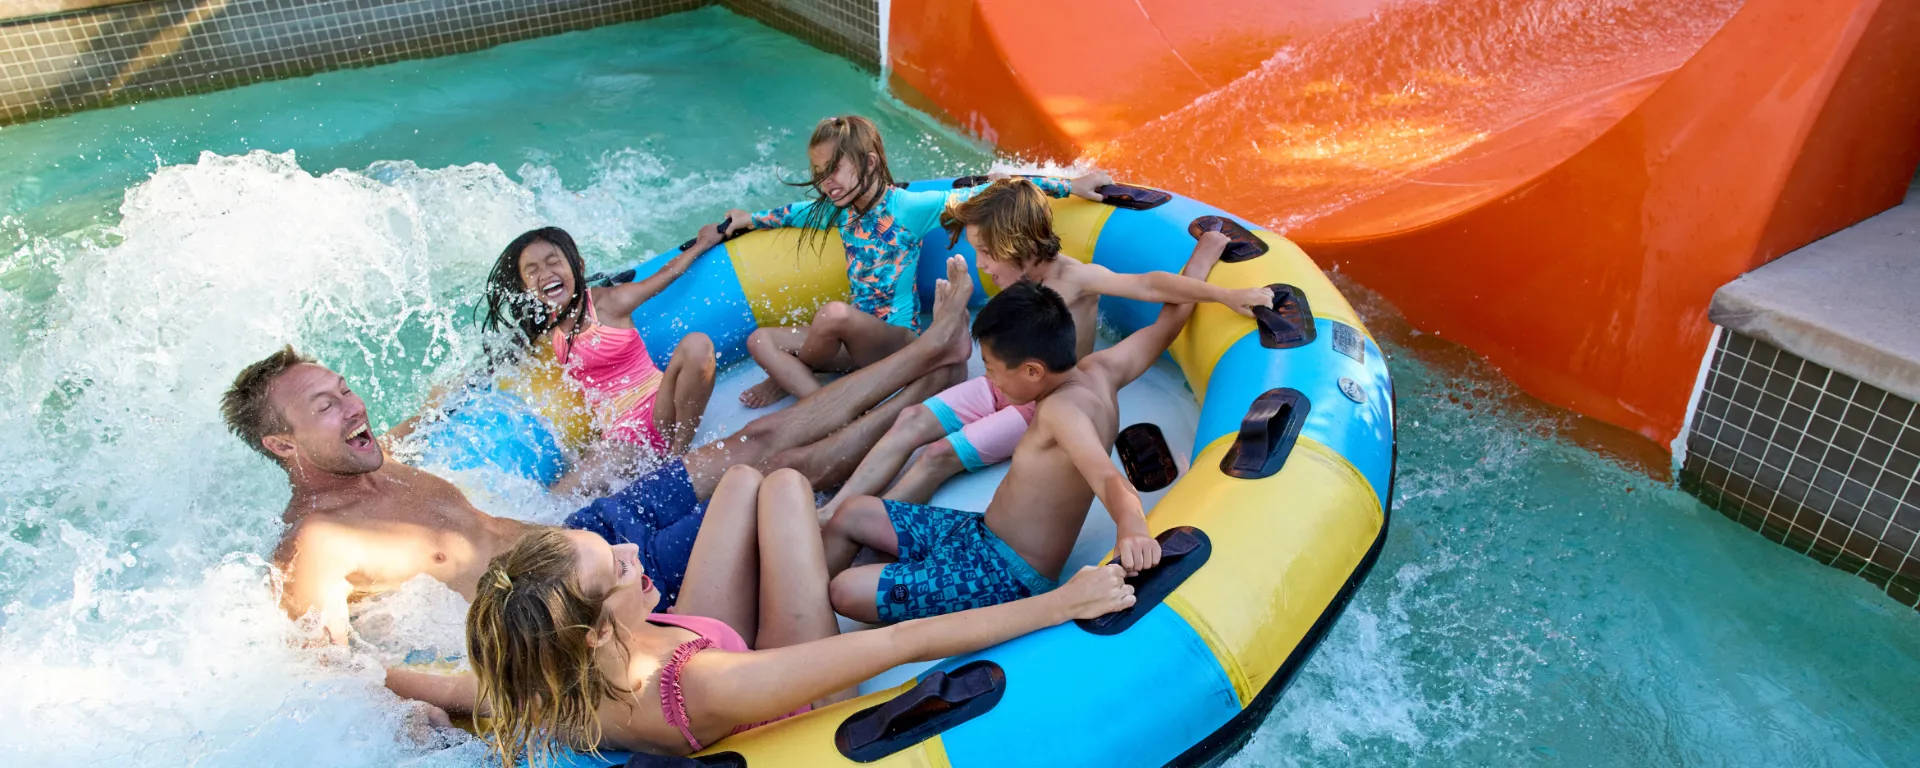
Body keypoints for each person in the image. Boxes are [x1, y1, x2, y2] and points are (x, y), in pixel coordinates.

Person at [222, 255, 975, 653]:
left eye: (346, 389)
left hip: (584, 529)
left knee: (752, 443)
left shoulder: (377, 459)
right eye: (327, 406)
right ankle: (920, 414)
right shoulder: (315, 543)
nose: (354, 406)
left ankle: (930, 355)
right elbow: (329, 675)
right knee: (774, 482)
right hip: (581, 601)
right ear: (282, 445)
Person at [445, 467, 1134, 764]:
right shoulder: (710, 684)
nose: (631, 550)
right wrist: (1060, 602)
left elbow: (458, 688)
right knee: (787, 490)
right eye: (619, 567)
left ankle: (829, 535)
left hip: (671, 654)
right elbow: (903, 643)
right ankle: (837, 532)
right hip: (784, 700)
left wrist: (389, 681)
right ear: (597, 627)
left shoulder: (552, 674)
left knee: (751, 482)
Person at [821, 230, 1233, 624]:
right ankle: (805, 603)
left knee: (846, 591)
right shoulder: (1101, 369)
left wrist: (1133, 529)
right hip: (977, 533)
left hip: (1006, 575)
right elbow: (1167, 323)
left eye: (996, 372)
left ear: (1034, 370)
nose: (992, 382)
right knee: (852, 512)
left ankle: (805, 634)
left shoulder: (1060, 412)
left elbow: (1108, 478)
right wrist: (1203, 255)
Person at [819, 179, 1271, 518]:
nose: (982, 266)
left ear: (1016, 244)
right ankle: (834, 512)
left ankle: (873, 526)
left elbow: (1150, 286)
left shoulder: (1071, 278)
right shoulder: (1014, 275)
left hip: (1043, 403)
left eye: (987, 254)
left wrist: (1226, 293)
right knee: (911, 419)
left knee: (937, 456)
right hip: (1005, 384)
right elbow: (1007, 185)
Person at [721, 114, 1110, 408]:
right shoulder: (838, 212)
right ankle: (812, 394)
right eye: (820, 174)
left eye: (834, 170)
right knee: (761, 339)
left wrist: (1069, 186)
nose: (827, 183)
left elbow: (996, 194)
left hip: (896, 340)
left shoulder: (906, 208)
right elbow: (791, 212)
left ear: (870, 163)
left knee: (832, 316)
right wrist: (748, 219)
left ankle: (818, 402)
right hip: (853, 344)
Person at [481, 225, 721, 496]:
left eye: (553, 262)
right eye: (532, 270)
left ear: (578, 266)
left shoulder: (609, 303)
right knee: (559, 496)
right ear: (525, 286)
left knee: (697, 345)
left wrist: (701, 245)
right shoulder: (545, 331)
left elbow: (665, 275)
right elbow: (495, 361)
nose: (545, 274)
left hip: (660, 408)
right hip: (623, 436)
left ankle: (678, 454)